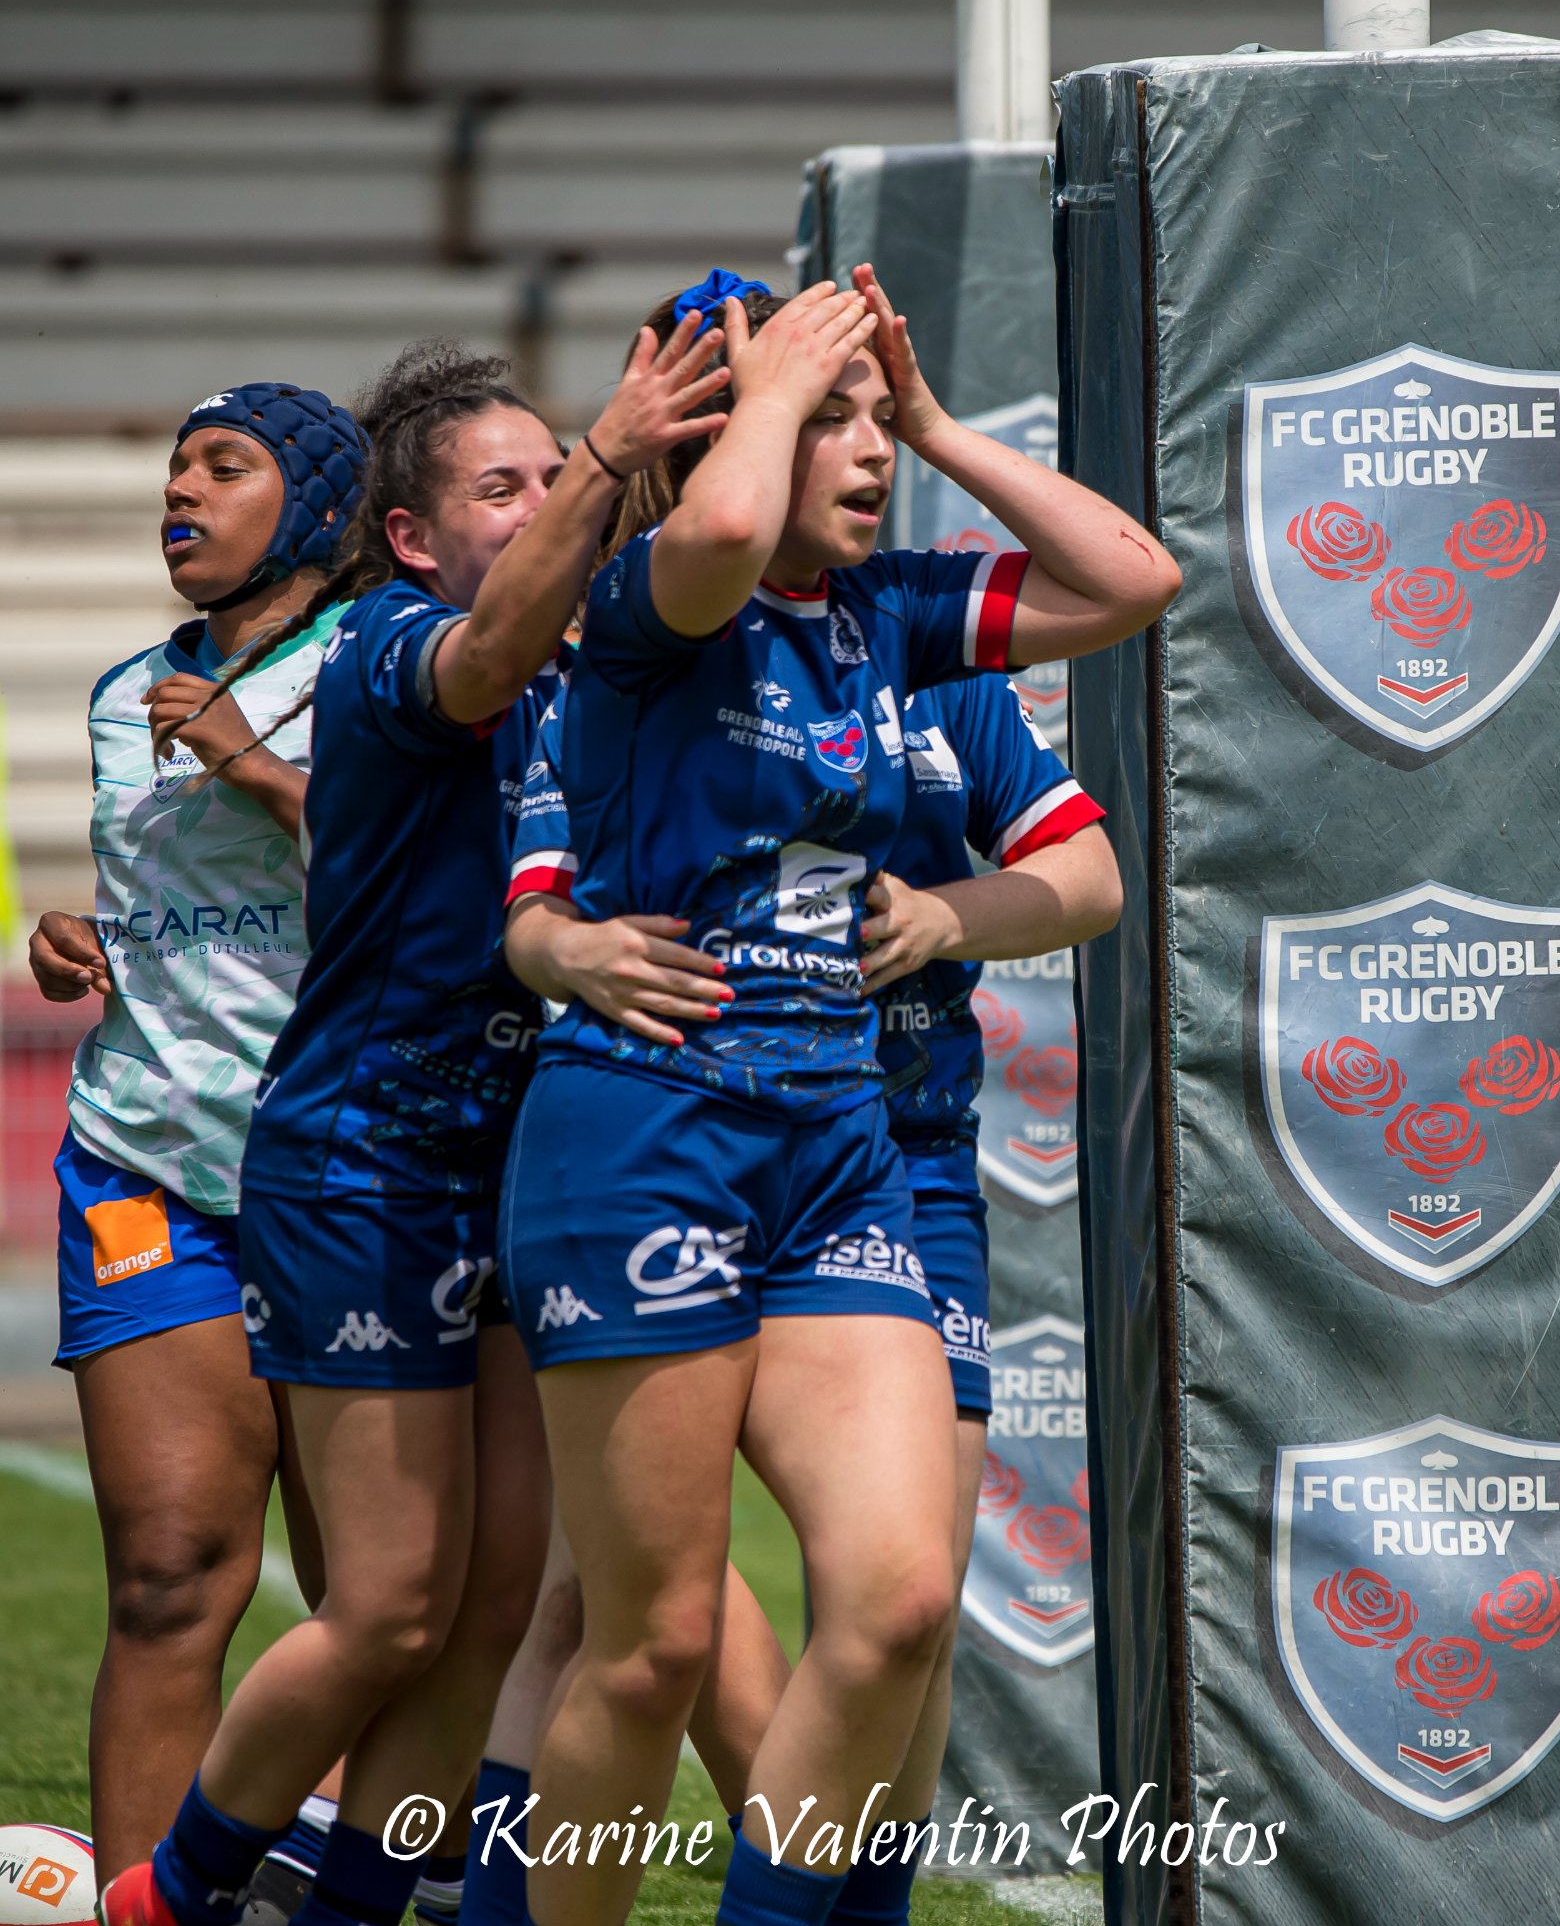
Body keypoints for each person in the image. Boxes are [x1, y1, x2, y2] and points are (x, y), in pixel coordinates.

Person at [494, 262, 1181, 1926]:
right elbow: (723, 536)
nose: (870, 454)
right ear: (741, 431)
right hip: (644, 1126)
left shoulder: (891, 617)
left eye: (882, 425)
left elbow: (1134, 577)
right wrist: (781, 387)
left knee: (893, 1604)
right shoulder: (653, 595)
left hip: (840, 1143)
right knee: (644, 1643)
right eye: (836, 421)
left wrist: (931, 415)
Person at [96, 318, 729, 1926]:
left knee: (503, 1602)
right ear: (407, 537)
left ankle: (356, 1909)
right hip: (366, 1159)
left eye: (547, 474)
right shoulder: (393, 656)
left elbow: (672, 572)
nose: (540, 502)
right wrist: (600, 463)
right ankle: (164, 1895)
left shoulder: (576, 655)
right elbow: (499, 646)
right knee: (380, 1609)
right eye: (499, 485)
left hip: (518, 1163)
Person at [27, 383, 366, 1888]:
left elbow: (414, 868)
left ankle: (306, 1874)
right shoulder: (117, 692)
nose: (181, 490)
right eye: (173, 468)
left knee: (381, 1600)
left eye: (223, 468)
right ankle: (135, 1908)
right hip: (146, 1160)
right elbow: (190, 912)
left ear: (313, 508)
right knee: (169, 1580)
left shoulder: (384, 657)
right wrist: (87, 940)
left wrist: (250, 760)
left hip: (357, 1167)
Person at [847, 670, 1122, 1920]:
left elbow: (1088, 879)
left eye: (873, 449)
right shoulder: (665, 625)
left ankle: (861, 1898)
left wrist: (938, 919)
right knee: (622, 1609)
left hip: (909, 1160)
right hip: (688, 1145)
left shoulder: (941, 665)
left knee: (914, 1606)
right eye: (822, 449)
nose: (860, 458)